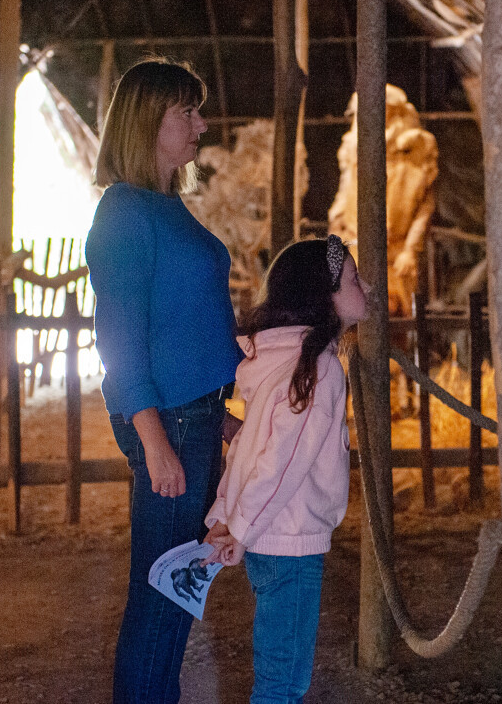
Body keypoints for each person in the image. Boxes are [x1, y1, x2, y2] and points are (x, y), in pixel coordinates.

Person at [85, 58, 244, 704]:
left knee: (181, 586)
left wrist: (224, 412)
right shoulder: (124, 213)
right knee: (161, 592)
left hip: (196, 414)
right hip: (170, 420)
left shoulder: (166, 204)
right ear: (150, 120)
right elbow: (118, 339)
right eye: (187, 111)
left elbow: (189, 323)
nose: (201, 123)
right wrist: (153, 440)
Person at [203, 235, 367, 704]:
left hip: (266, 538)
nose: (367, 286)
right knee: (284, 681)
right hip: (289, 541)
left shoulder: (283, 361)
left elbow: (250, 453)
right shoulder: (317, 371)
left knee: (277, 671)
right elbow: (282, 464)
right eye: (354, 279)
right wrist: (240, 528)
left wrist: (226, 518)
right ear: (325, 295)